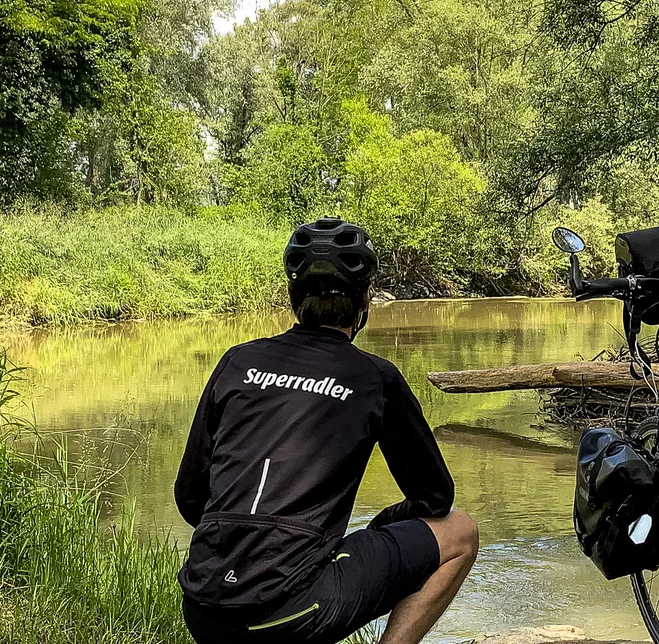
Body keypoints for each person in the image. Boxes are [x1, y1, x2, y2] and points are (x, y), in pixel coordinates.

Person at [175, 217, 479, 644]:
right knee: (461, 532)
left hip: (202, 608)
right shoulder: (375, 378)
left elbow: (190, 498)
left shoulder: (237, 362)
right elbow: (436, 498)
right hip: (289, 615)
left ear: (292, 296)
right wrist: (383, 523)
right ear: (364, 302)